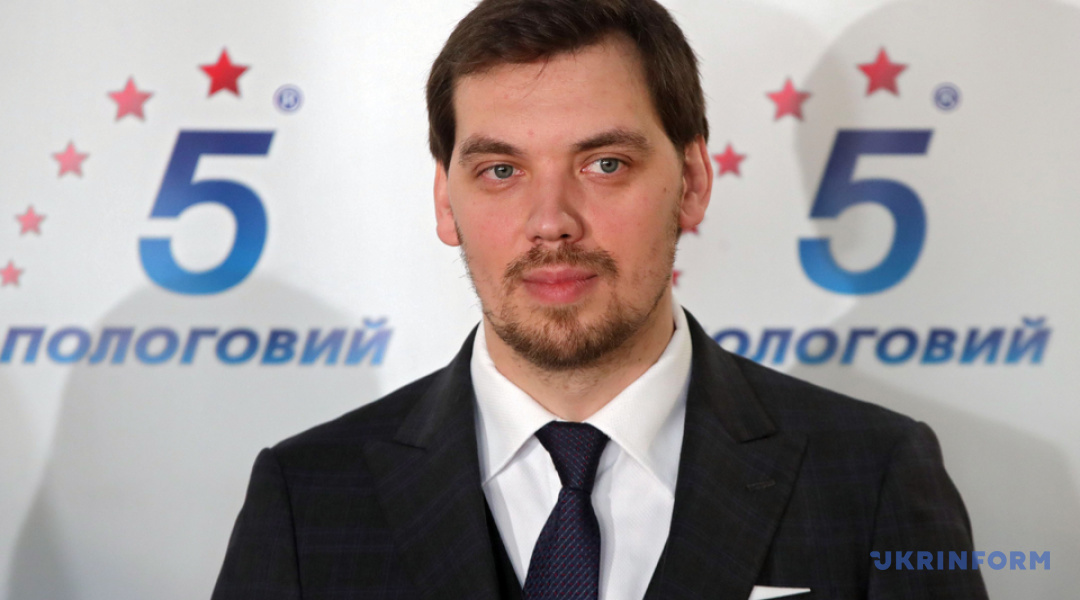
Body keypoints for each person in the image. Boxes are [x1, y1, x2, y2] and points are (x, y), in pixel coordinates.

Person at [212, 1, 988, 598]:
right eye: (501, 171)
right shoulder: (307, 496)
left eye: (605, 164)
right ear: (446, 203)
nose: (552, 222)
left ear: (692, 182)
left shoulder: (873, 475)